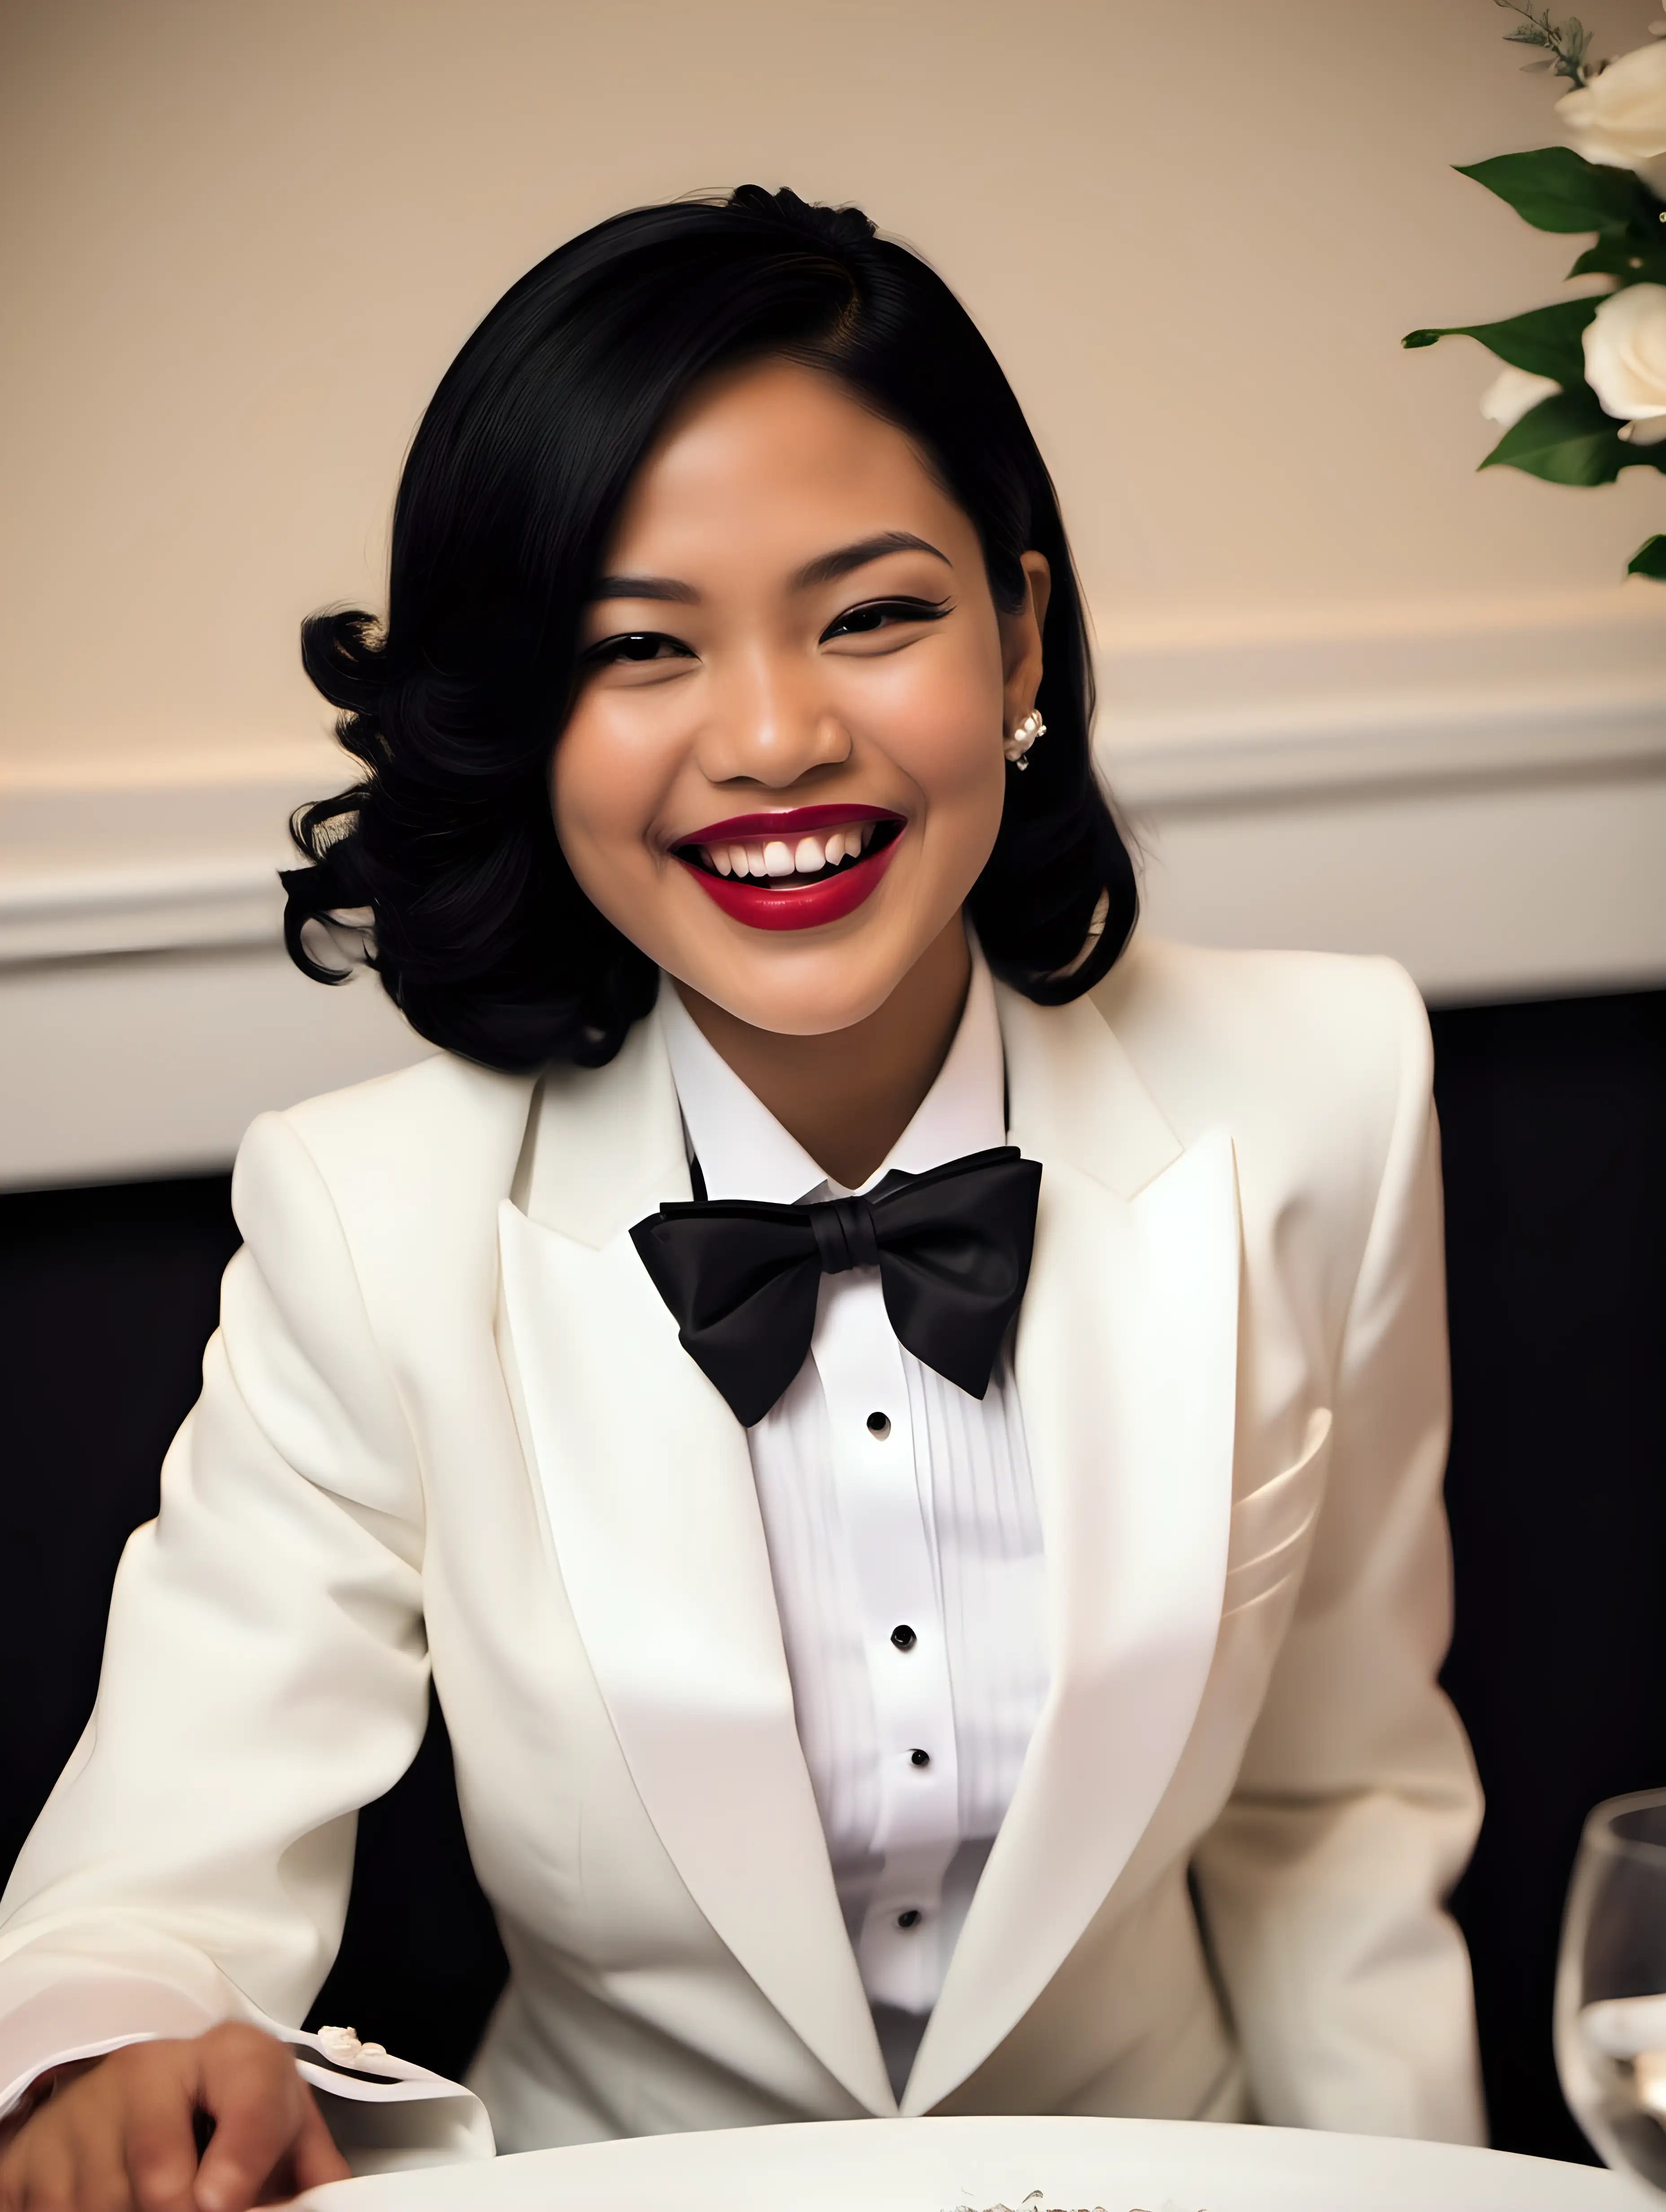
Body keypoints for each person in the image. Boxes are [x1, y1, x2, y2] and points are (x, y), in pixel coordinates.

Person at [0, 186, 1484, 2211]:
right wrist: (113, 2054)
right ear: (525, 721)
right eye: (637, 648)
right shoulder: (374, 1217)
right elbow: (156, 1875)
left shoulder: (1325, 1092)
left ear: (1023, 634)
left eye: (873, 613)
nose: (778, 736)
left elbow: (1337, 1804)